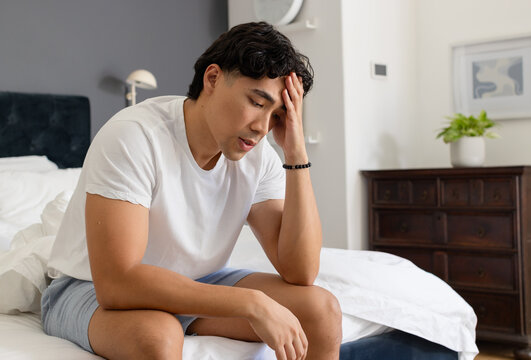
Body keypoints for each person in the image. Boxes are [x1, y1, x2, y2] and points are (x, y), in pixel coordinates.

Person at [42, 21, 342, 360]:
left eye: (276, 114)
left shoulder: (258, 156)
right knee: (159, 336)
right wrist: (251, 304)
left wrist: (295, 154)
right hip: (89, 288)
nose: (262, 128)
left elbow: (300, 271)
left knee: (321, 310)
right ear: (212, 78)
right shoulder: (133, 137)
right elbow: (117, 283)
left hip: (198, 282)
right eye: (257, 102)